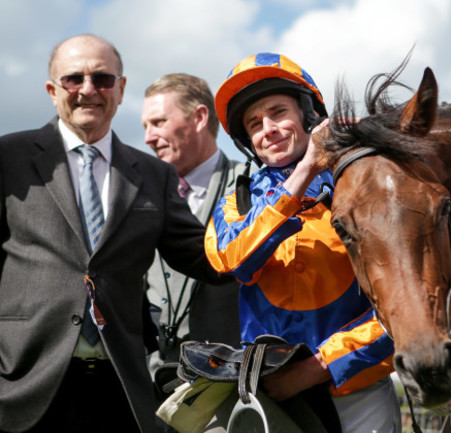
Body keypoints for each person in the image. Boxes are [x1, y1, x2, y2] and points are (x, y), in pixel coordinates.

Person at [0, 34, 220, 433]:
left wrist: (283, 213)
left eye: (102, 79)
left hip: (121, 388)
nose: (88, 90)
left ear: (120, 89)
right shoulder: (8, 159)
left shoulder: (154, 175)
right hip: (22, 385)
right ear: (52, 91)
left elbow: (205, 258)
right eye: (73, 79)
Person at [204, 53, 401, 432]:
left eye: (278, 112)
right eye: (254, 123)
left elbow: (401, 305)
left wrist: (317, 368)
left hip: (356, 392)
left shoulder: (362, 184)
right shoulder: (236, 200)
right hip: (270, 394)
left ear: (310, 116)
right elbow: (232, 262)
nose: (268, 129)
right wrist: (304, 172)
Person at [141, 73, 246, 388]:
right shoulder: (137, 196)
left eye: (158, 122)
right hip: (153, 387)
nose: (148, 137)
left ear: (200, 117)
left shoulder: (253, 189)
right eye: (145, 126)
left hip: (229, 387)